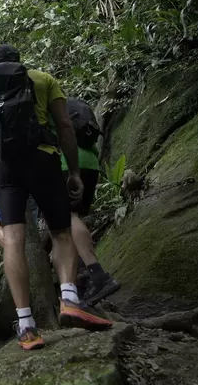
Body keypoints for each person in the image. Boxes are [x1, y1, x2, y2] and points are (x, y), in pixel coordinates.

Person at [0, 44, 112, 351]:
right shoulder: (42, 79)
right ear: (19, 61)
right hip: (43, 160)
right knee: (61, 231)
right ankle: (70, 299)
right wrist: (73, 171)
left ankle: (26, 324)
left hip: (5, 169)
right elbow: (65, 126)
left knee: (14, 239)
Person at [59, 112, 120, 305]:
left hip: (65, 163)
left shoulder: (43, 107)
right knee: (73, 218)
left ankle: (97, 274)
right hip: (90, 163)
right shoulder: (72, 110)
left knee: (67, 217)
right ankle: (84, 275)